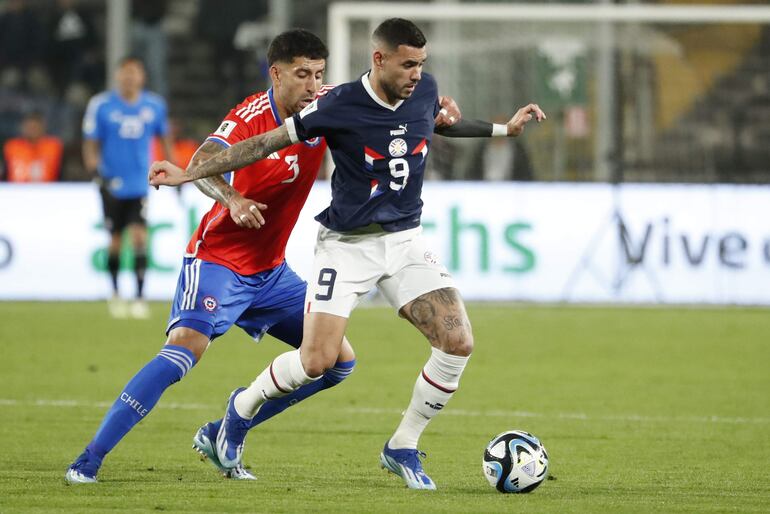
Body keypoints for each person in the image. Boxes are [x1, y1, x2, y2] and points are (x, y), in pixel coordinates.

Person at [149, 18, 545, 490]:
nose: (417, 74)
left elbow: (441, 126)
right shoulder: (337, 105)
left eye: (422, 64)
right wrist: (192, 173)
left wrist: (505, 129)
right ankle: (240, 410)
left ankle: (402, 445)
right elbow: (261, 144)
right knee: (317, 361)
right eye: (407, 64)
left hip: (405, 241)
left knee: (457, 341)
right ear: (379, 60)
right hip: (347, 247)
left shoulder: (425, 90)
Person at [64, 28, 462, 485]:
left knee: (336, 363)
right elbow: (205, 158)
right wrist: (231, 199)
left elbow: (380, 100)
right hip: (219, 262)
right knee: (182, 354)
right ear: (275, 73)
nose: (312, 86)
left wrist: (437, 112)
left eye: (318, 75)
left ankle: (227, 430)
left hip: (271, 273)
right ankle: (89, 460)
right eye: (301, 75)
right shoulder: (251, 115)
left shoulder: (327, 105)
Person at [82, 56, 174, 319]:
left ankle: (140, 296)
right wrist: (94, 171)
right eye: (125, 73)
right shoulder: (101, 105)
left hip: (140, 183)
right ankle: (114, 293)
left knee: (139, 237)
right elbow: (90, 142)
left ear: (141, 76)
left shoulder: (154, 106)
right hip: (110, 183)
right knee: (113, 241)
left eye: (134, 72)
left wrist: (173, 167)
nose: (129, 77)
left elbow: (165, 138)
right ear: (117, 76)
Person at [3, 111, 63, 182]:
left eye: (35, 127)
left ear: (42, 127)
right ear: (23, 127)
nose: (32, 130)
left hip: (47, 190)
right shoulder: (12, 146)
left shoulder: (54, 146)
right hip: (15, 190)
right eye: (29, 126)